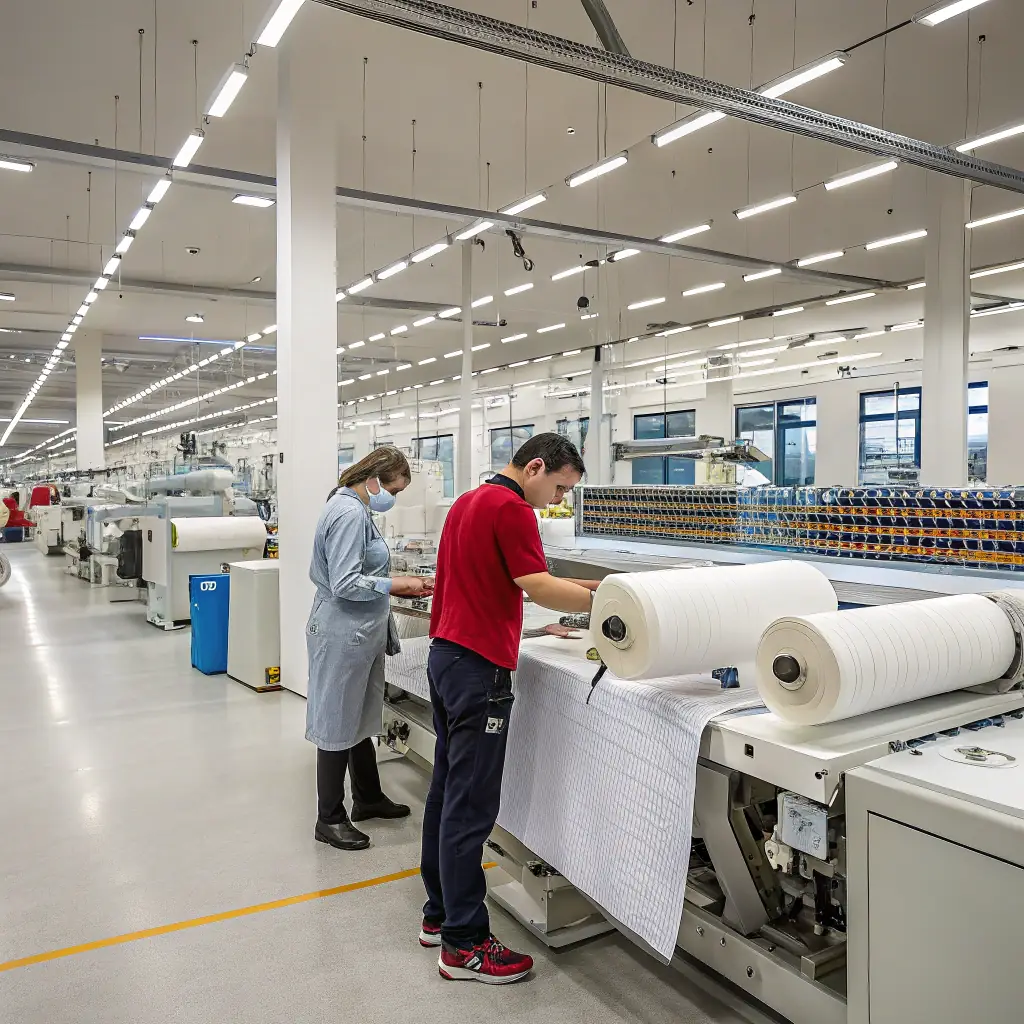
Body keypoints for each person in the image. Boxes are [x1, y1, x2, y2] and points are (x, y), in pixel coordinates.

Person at [420, 432, 601, 984]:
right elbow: (537, 586)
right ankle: (465, 945)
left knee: (446, 793)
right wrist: (608, 603)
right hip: (480, 673)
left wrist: (576, 584)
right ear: (537, 468)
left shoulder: (469, 502)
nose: (558, 501)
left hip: (447, 659)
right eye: (559, 488)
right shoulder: (515, 508)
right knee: (471, 809)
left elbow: (507, 581)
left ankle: (440, 914)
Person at [306, 447, 434, 851]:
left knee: (360, 716)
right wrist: (397, 585)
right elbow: (346, 582)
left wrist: (394, 579)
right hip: (342, 632)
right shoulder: (347, 513)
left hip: (359, 631)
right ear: (374, 480)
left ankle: (368, 797)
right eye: (393, 489)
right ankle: (329, 818)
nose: (392, 498)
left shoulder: (356, 509)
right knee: (335, 722)